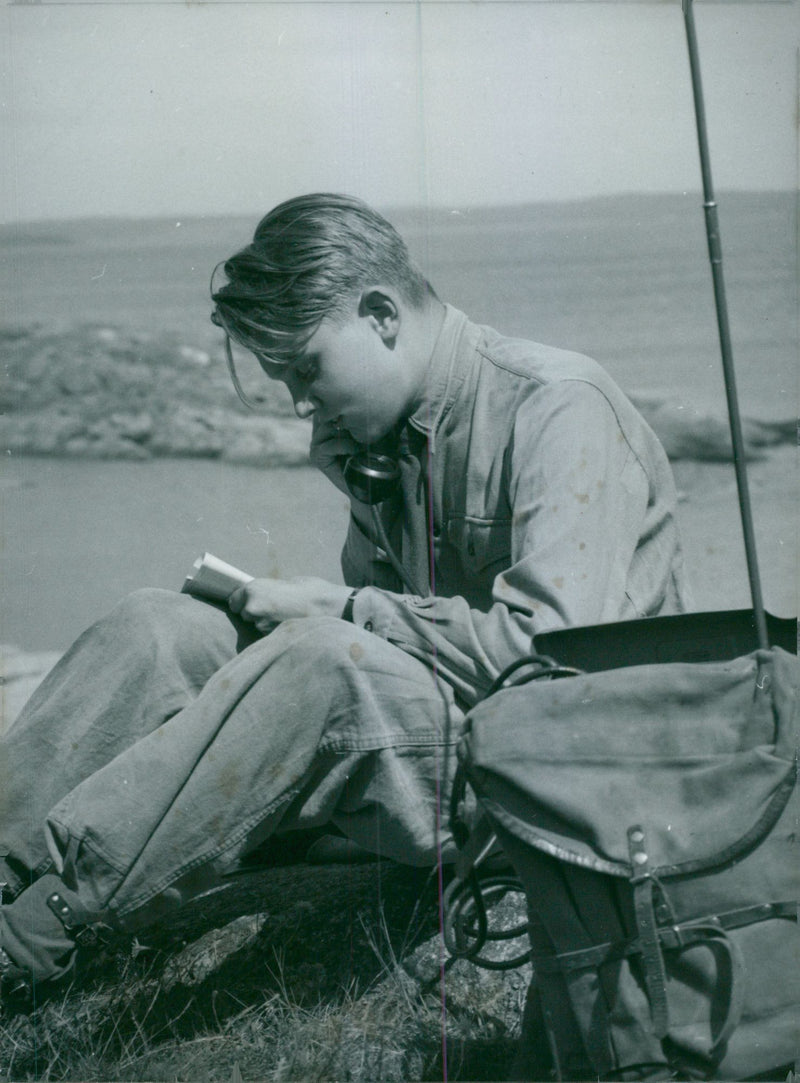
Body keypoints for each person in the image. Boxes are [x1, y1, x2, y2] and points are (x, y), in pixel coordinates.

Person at [0, 193, 690, 1007]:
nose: (299, 402)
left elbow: (548, 649)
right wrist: (363, 496)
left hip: (555, 768)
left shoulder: (557, 405)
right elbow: (400, 639)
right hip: (449, 738)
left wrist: (344, 606)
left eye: (306, 369)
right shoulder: (385, 432)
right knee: (158, 625)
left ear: (381, 315)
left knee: (320, 656)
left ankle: (39, 932)